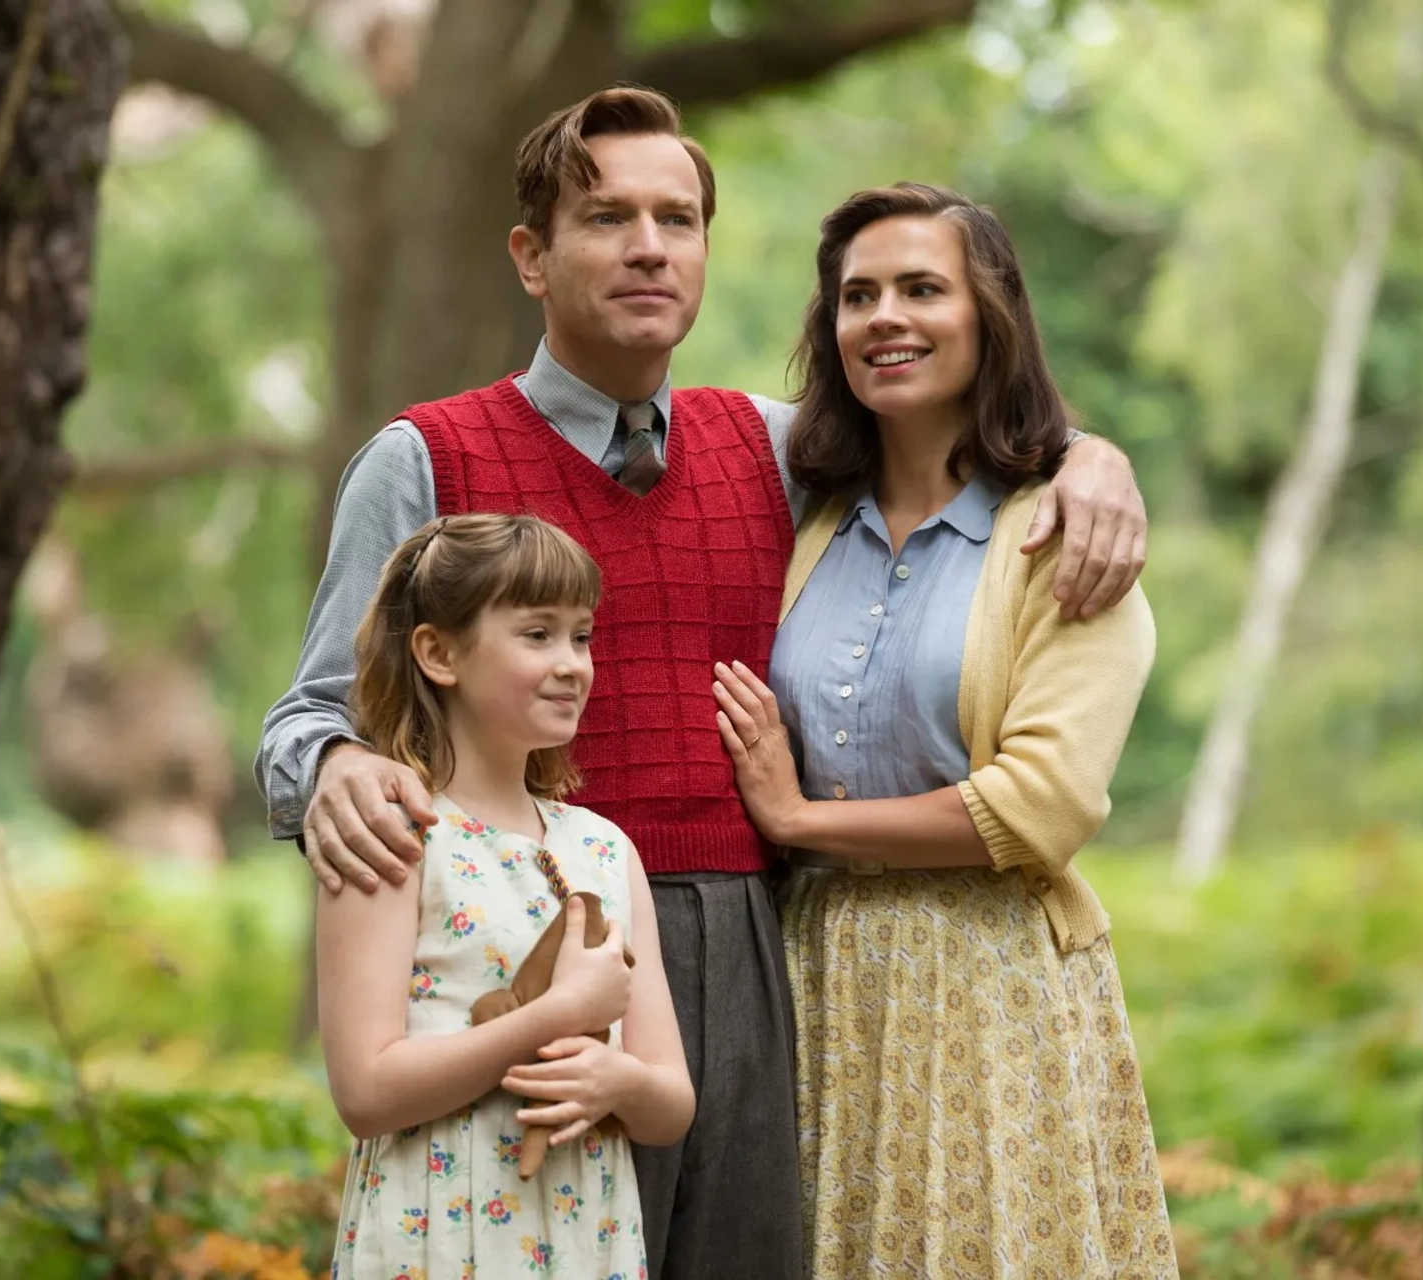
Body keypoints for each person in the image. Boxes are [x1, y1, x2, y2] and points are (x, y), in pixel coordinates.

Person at [260, 86, 1150, 1280]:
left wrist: (1093, 459)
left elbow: (948, 432)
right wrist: (335, 762)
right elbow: (309, 714)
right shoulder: (425, 459)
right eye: (607, 217)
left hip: (750, 946)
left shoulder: (778, 450)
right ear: (531, 254)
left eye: (676, 219)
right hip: (524, 953)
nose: (647, 247)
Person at [711, 182, 1176, 1277]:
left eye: (923, 288)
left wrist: (795, 814)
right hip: (813, 982)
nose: (885, 317)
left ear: (991, 315)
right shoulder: (803, 517)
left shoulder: (1066, 534)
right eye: (857, 295)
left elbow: (1042, 805)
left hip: (984, 987)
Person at [318, 512, 692, 1280]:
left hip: (584, 1236)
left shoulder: (603, 849)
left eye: (582, 636)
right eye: (537, 634)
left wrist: (617, 1082)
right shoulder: (394, 835)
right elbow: (365, 1090)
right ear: (438, 652)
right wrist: (557, 1018)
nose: (572, 664)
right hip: (438, 1239)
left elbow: (670, 1102)